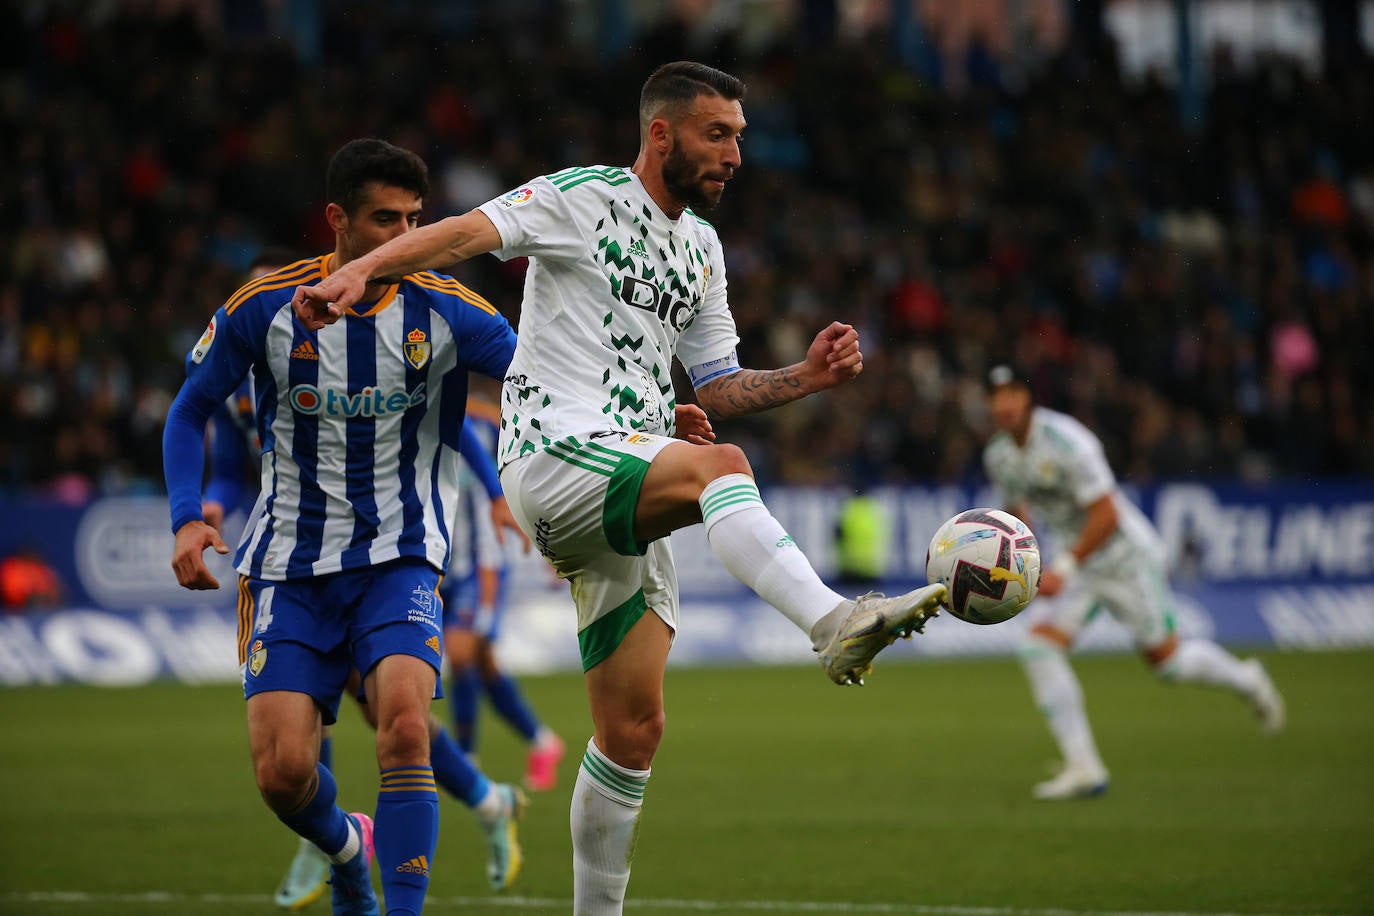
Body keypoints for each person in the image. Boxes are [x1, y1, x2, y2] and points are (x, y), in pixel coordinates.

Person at [293, 62, 946, 913]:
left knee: (633, 733)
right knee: (725, 469)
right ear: (661, 133)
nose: (736, 155)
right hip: (555, 453)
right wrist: (364, 272)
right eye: (719, 134)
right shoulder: (581, 197)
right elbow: (462, 233)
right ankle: (834, 622)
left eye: (740, 137)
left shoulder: (701, 249)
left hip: (628, 463)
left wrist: (807, 378)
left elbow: (715, 385)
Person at [165, 138, 525, 916]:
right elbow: (190, 410)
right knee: (282, 774)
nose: (403, 236)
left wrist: (647, 422)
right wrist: (188, 519)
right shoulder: (262, 307)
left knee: (403, 728)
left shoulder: (448, 307)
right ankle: (346, 846)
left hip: (401, 556)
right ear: (336, 220)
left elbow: (540, 378)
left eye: (414, 219)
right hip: (289, 568)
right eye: (383, 219)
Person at [982, 364, 1286, 801]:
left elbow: (1106, 514)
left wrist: (1061, 569)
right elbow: (1018, 516)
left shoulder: (1070, 442)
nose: (1004, 404)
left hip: (1125, 558)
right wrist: (1025, 565)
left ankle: (1248, 679)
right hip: (1080, 565)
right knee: (1037, 646)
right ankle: (1083, 766)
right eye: (996, 396)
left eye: (1012, 393)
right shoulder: (999, 455)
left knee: (1169, 664)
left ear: (1029, 399)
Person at [441, 386, 565, 791]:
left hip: (482, 565)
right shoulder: (425, 422)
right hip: (438, 563)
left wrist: (554, 545)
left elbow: (533, 480)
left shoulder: (492, 426)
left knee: (460, 656)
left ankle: (464, 758)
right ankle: (542, 741)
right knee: (483, 665)